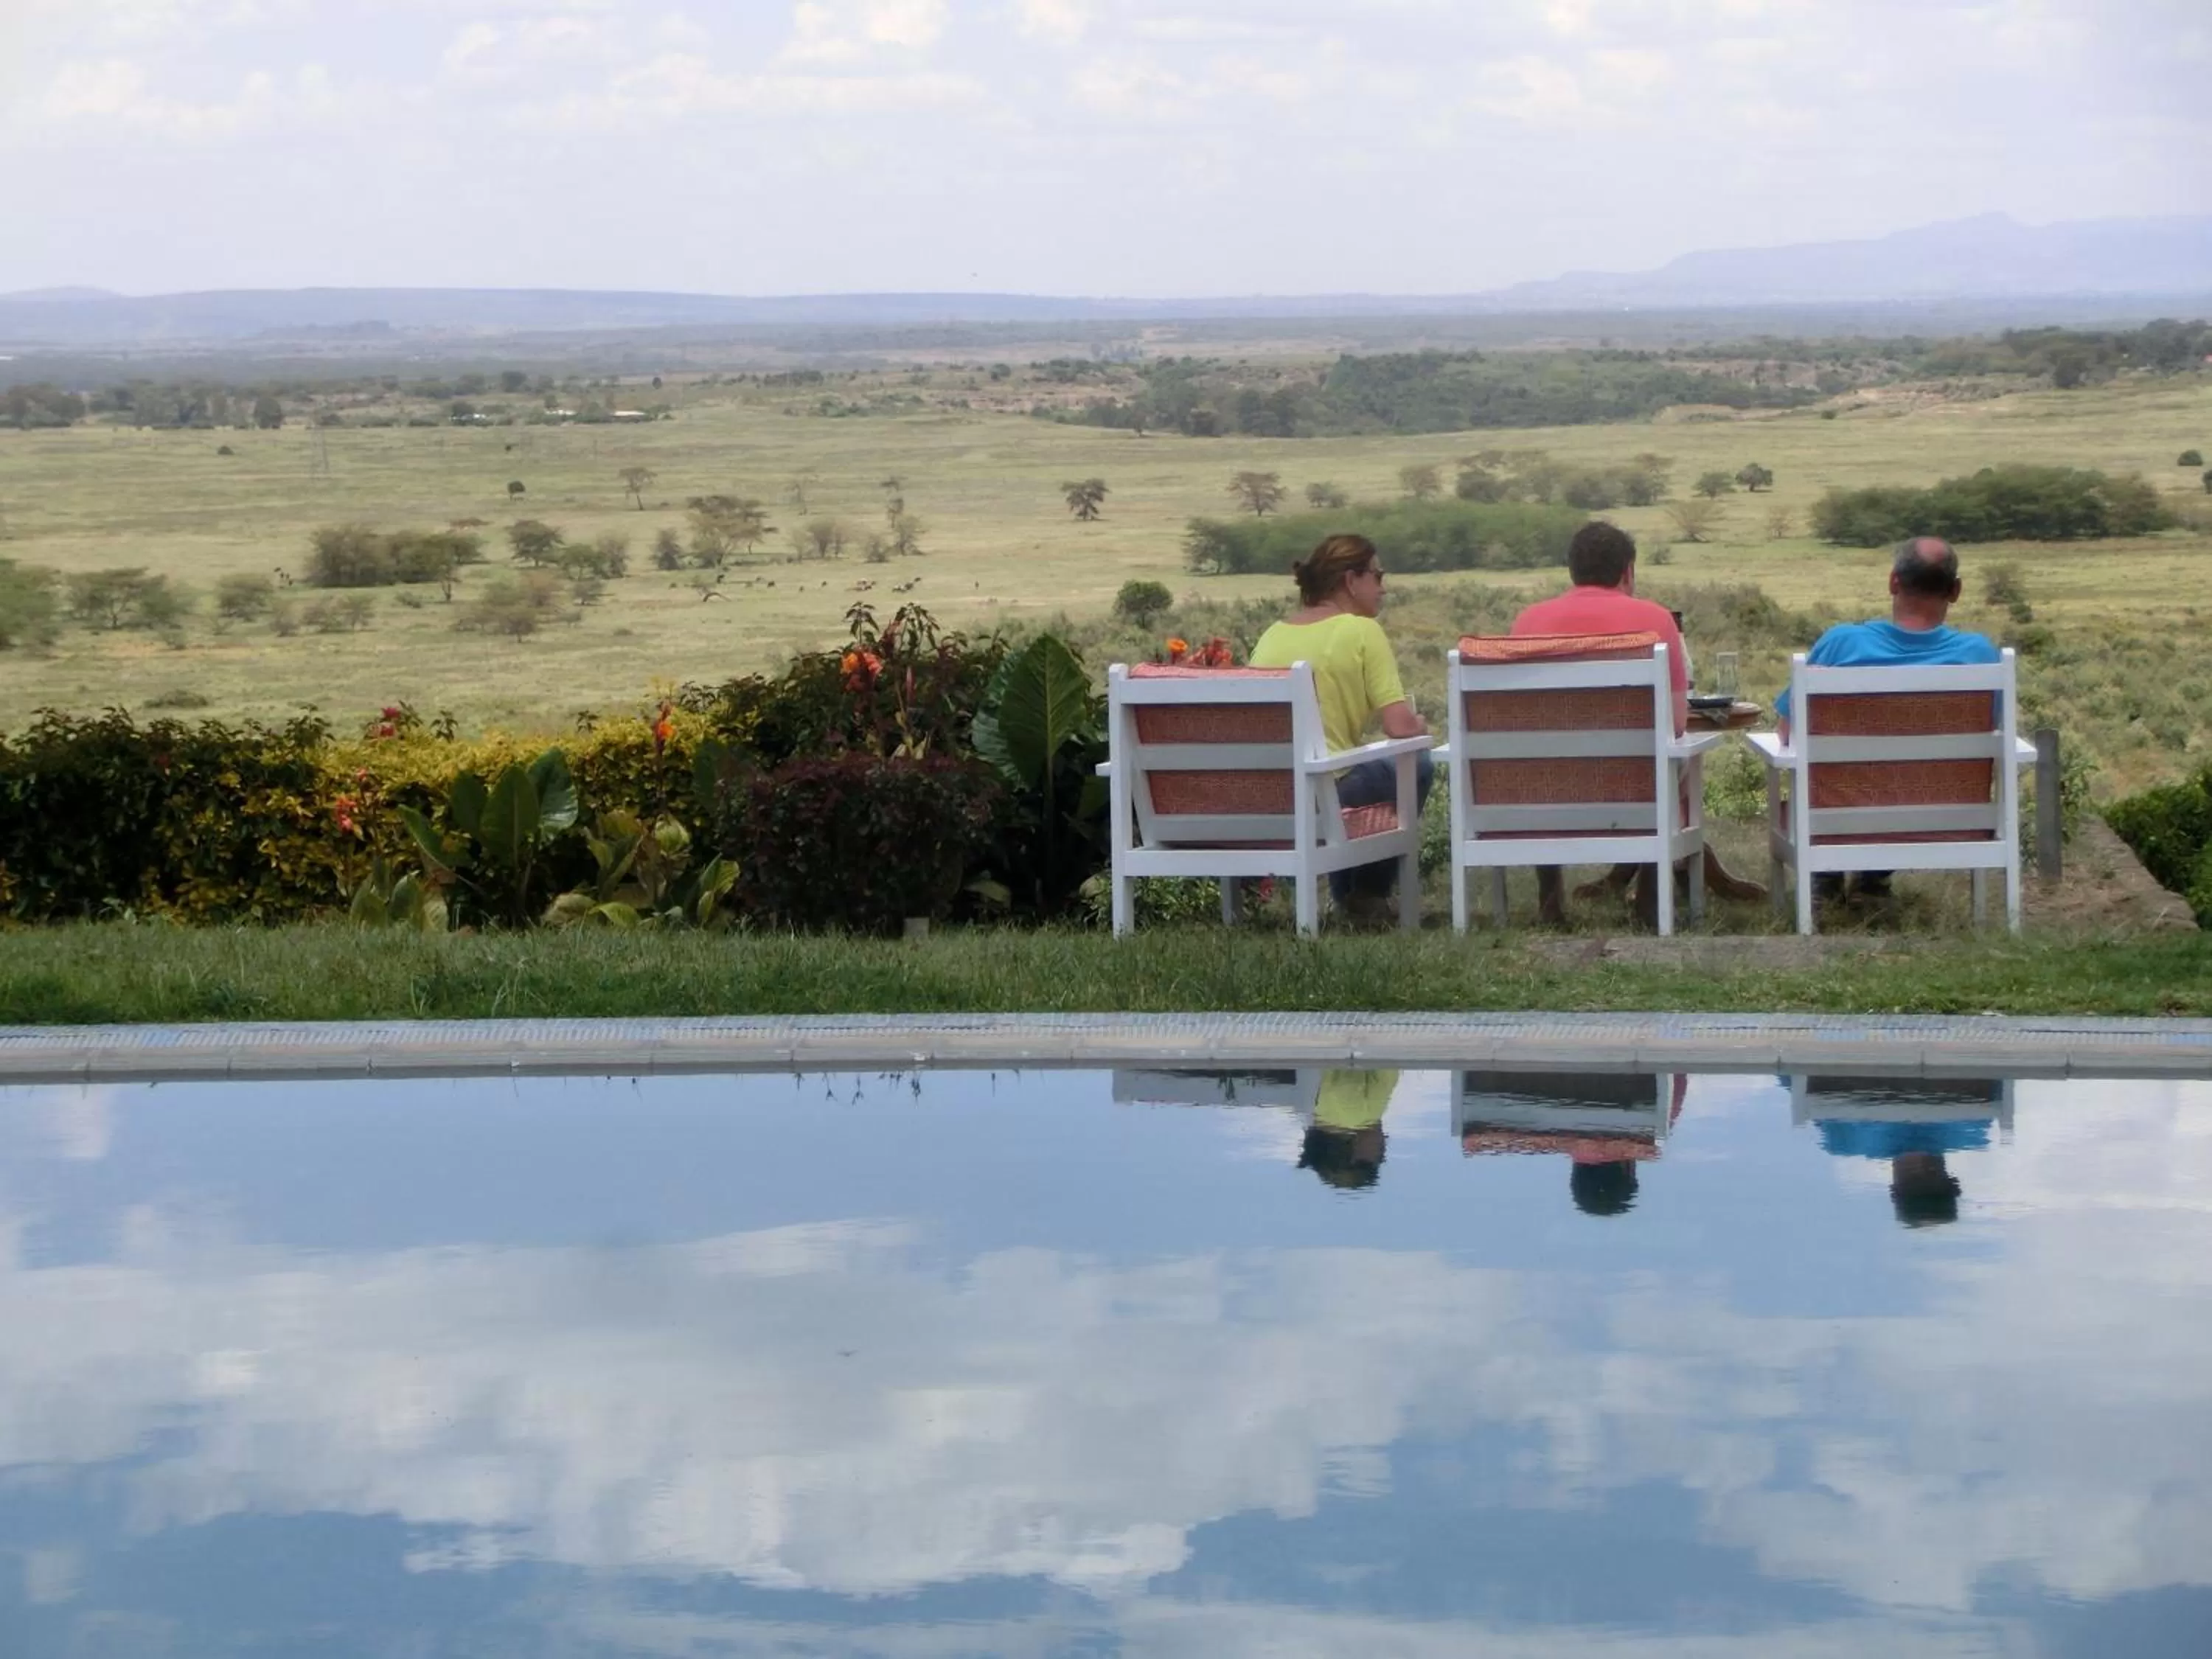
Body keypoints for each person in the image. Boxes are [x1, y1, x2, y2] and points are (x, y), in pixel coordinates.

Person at [1509, 522, 1759, 924]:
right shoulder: (1656, 622)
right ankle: (1650, 893)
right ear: (1627, 571)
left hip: (1545, 789)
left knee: (1549, 761)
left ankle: (1550, 899)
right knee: (1673, 760)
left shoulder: (1527, 622)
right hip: (1635, 786)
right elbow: (1677, 723)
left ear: (1571, 569)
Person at [1777, 536, 2002, 904]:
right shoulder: (1979, 655)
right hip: (1948, 822)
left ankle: (1829, 875)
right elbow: (1993, 732)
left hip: (1838, 821)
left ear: (1893, 582)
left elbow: (1787, 734)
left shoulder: (1841, 644)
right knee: (1911, 774)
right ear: (1956, 591)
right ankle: (1872, 881)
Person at [1250, 533, 1433, 919]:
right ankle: (1368, 894)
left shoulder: (1272, 635)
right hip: (1326, 790)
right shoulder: (1361, 631)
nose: (1383, 588)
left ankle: (1348, 900)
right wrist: (1419, 724)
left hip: (1271, 795)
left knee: (1349, 771)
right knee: (1416, 764)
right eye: (1377, 576)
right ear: (1351, 581)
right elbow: (1399, 728)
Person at [1298, 1068, 1399, 1191]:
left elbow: (1380, 1058)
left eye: (1378, 1157)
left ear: (1357, 1155)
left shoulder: (1362, 1114)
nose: (1384, 1145)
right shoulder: (1316, 1111)